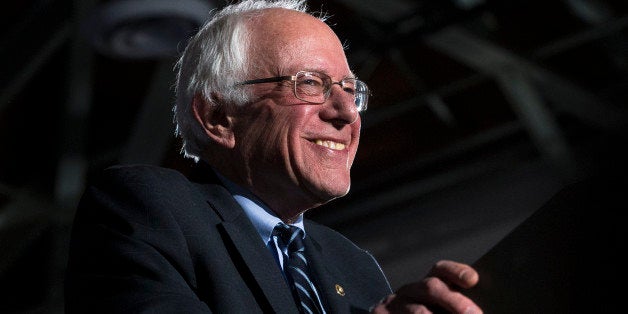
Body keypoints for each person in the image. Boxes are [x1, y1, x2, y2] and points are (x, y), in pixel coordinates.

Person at [64, 0, 483, 313]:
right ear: (218, 116)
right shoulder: (149, 208)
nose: (346, 112)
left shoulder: (355, 266)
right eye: (310, 84)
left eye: (350, 90)